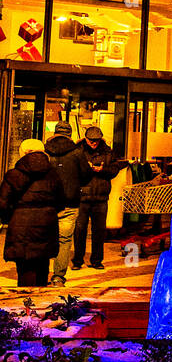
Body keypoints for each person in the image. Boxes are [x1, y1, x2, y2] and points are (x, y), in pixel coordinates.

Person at [0, 137, 66, 287]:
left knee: (24, 268)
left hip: (20, 225)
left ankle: (26, 304)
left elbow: (2, 204)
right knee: (43, 265)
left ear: (23, 152)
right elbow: (61, 201)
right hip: (46, 225)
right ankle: (41, 301)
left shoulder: (14, 174)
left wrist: (10, 218)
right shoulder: (53, 174)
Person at [71, 126, 128, 271]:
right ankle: (77, 260)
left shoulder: (108, 151)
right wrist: (87, 169)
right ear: (85, 139)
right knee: (79, 229)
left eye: (96, 141)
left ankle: (96, 260)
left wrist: (103, 170)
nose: (94, 143)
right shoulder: (77, 151)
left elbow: (115, 169)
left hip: (101, 196)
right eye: (91, 141)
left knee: (99, 230)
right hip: (83, 196)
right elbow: (72, 171)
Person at [45, 121, 94, 284]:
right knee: (64, 239)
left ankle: (42, 272)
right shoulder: (77, 152)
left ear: (55, 132)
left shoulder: (45, 150)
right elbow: (87, 175)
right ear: (70, 134)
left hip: (47, 202)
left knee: (44, 237)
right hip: (70, 202)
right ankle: (58, 276)